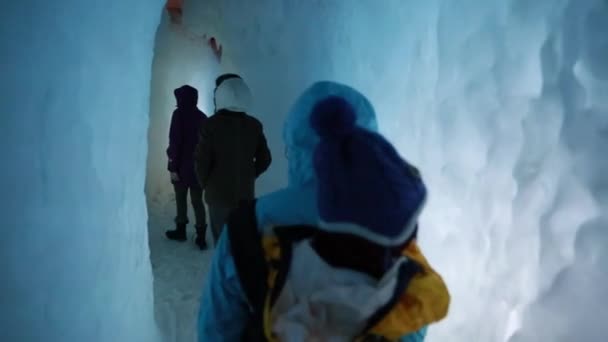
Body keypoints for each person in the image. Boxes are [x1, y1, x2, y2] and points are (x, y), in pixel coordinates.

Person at [197, 81, 450, 341]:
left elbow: (216, 329)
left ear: (294, 148)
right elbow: (411, 323)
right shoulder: (391, 224)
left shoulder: (248, 224)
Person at [195, 74, 272, 244]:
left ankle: (224, 270)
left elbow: (201, 162)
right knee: (242, 243)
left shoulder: (210, 125)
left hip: (217, 196)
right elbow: (265, 159)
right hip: (245, 194)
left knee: (222, 244)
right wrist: (250, 175)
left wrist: (206, 183)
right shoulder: (254, 125)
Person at [165, 85, 209, 249]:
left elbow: (175, 142)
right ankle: (201, 237)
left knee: (181, 200)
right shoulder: (203, 117)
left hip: (181, 167)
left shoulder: (178, 115)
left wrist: (172, 167)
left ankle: (181, 231)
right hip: (198, 168)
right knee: (198, 202)